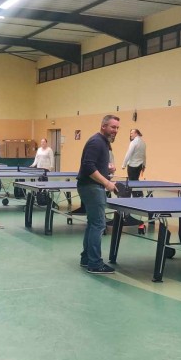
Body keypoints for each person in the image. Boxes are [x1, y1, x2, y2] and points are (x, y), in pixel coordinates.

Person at [77, 115, 120, 274]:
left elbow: (94, 164)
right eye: (113, 127)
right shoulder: (96, 142)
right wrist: (107, 183)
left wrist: (106, 169)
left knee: (93, 223)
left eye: (117, 128)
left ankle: (86, 258)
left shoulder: (103, 142)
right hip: (92, 188)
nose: (115, 130)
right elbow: (88, 167)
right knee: (99, 224)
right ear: (103, 126)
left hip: (91, 187)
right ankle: (95, 263)